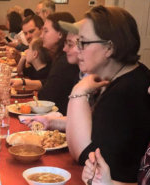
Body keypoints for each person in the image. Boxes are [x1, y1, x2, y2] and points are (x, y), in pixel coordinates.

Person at [66, 6, 150, 184]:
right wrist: (57, 121)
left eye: (83, 43)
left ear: (109, 48)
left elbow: (83, 155)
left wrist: (78, 92)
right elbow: (98, 125)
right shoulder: (130, 74)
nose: (76, 50)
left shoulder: (125, 94)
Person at [37, 12, 80, 115]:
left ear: (60, 34)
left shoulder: (66, 61)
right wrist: (25, 82)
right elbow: (51, 81)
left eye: (46, 31)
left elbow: (45, 97)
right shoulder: (58, 56)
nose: (41, 36)